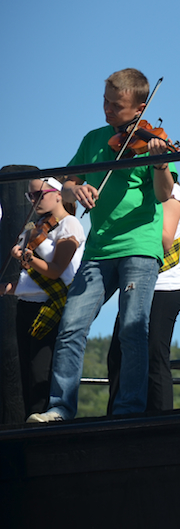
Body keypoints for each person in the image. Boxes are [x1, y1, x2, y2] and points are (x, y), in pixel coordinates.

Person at [27, 68, 176, 423]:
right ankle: (61, 408)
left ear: (139, 110)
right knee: (72, 325)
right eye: (105, 102)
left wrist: (159, 164)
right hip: (98, 249)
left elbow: (164, 194)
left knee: (132, 330)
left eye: (117, 106)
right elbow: (66, 182)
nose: (107, 111)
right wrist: (72, 190)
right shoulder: (94, 139)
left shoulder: (150, 142)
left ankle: (128, 411)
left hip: (139, 248)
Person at [0, 177, 85, 418]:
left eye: (40, 194)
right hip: (26, 306)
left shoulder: (69, 225)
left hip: (51, 306)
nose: (34, 200)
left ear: (58, 194)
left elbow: (57, 270)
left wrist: (27, 259)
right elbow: (27, 272)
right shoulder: (33, 226)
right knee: (26, 371)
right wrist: (9, 282)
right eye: (30, 196)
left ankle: (44, 423)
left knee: (41, 371)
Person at [107, 181, 180, 413]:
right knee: (118, 356)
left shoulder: (173, 194)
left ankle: (160, 424)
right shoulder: (138, 194)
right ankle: (116, 419)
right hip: (137, 285)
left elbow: (164, 240)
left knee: (153, 355)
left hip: (164, 286)